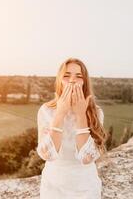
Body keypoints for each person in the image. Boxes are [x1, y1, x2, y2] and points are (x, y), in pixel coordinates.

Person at [36, 58, 107, 199]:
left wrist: (81, 114)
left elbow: (87, 158)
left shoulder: (96, 112)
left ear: (85, 82)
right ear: (59, 80)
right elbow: (47, 155)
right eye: (67, 75)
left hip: (85, 188)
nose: (72, 80)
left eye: (79, 76)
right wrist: (60, 113)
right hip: (53, 187)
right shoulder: (45, 110)